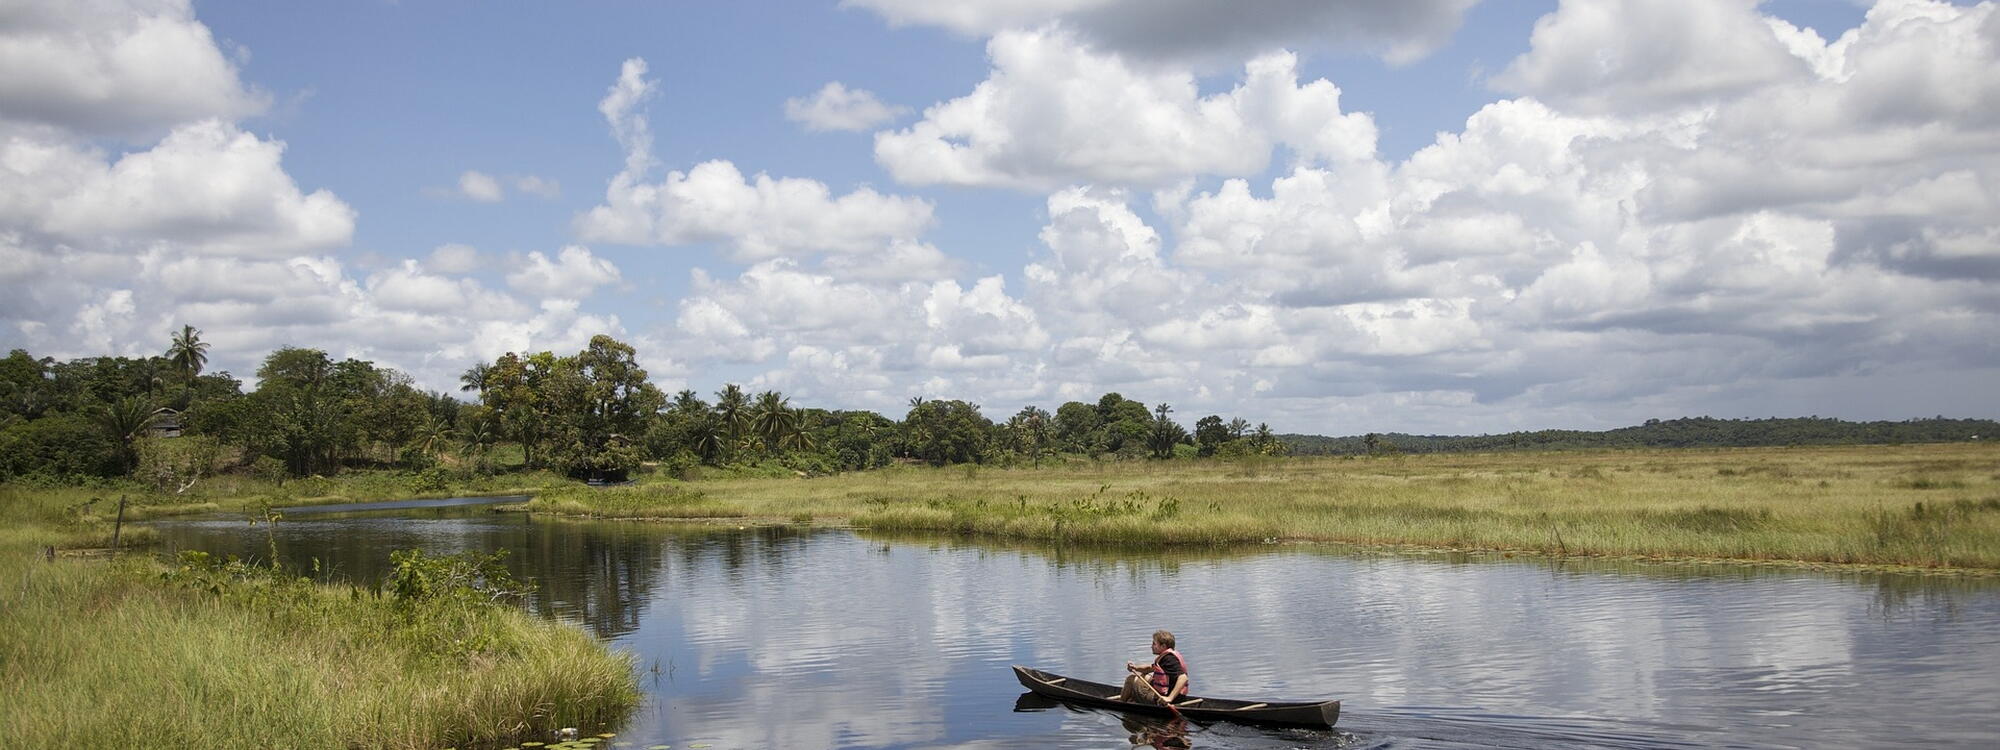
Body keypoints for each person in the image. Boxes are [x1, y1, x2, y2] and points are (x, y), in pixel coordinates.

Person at [1120, 630, 1190, 705]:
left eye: (1154, 644)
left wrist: (1169, 698)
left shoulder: (1169, 659)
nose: (1151, 646)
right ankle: (1133, 698)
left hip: (1165, 700)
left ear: (1163, 646)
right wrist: (1135, 668)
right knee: (1144, 676)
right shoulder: (1167, 657)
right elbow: (1149, 668)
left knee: (1131, 679)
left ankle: (1121, 704)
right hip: (1178, 697)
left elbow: (1183, 678)